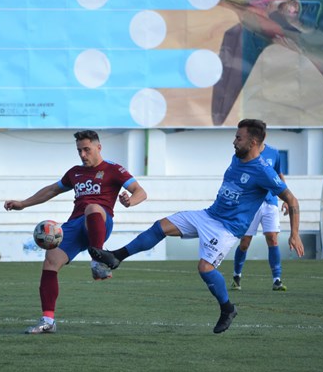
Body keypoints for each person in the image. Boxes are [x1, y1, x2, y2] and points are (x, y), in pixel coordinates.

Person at [89, 119, 304, 334]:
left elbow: (292, 200)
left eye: (239, 138)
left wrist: (294, 234)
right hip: (209, 215)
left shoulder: (263, 171)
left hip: (227, 228)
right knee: (161, 226)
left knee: (205, 268)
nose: (234, 141)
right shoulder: (237, 158)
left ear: (254, 142)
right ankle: (116, 256)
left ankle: (227, 308)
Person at [4, 130, 147, 334]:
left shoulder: (114, 169)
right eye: (79, 150)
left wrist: (130, 201)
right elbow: (52, 190)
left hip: (100, 219)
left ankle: (98, 259)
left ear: (99, 147)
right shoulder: (75, 172)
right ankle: (48, 321)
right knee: (50, 261)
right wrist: (23, 204)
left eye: (86, 150)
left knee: (92, 207)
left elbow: (140, 191)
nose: (82, 155)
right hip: (74, 225)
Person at [231, 143, 288, 291]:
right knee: (245, 242)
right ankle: (237, 275)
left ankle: (277, 280)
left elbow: (279, 175)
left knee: (272, 238)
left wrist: (286, 199)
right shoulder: (244, 153)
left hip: (270, 202)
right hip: (250, 204)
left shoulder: (274, 153)